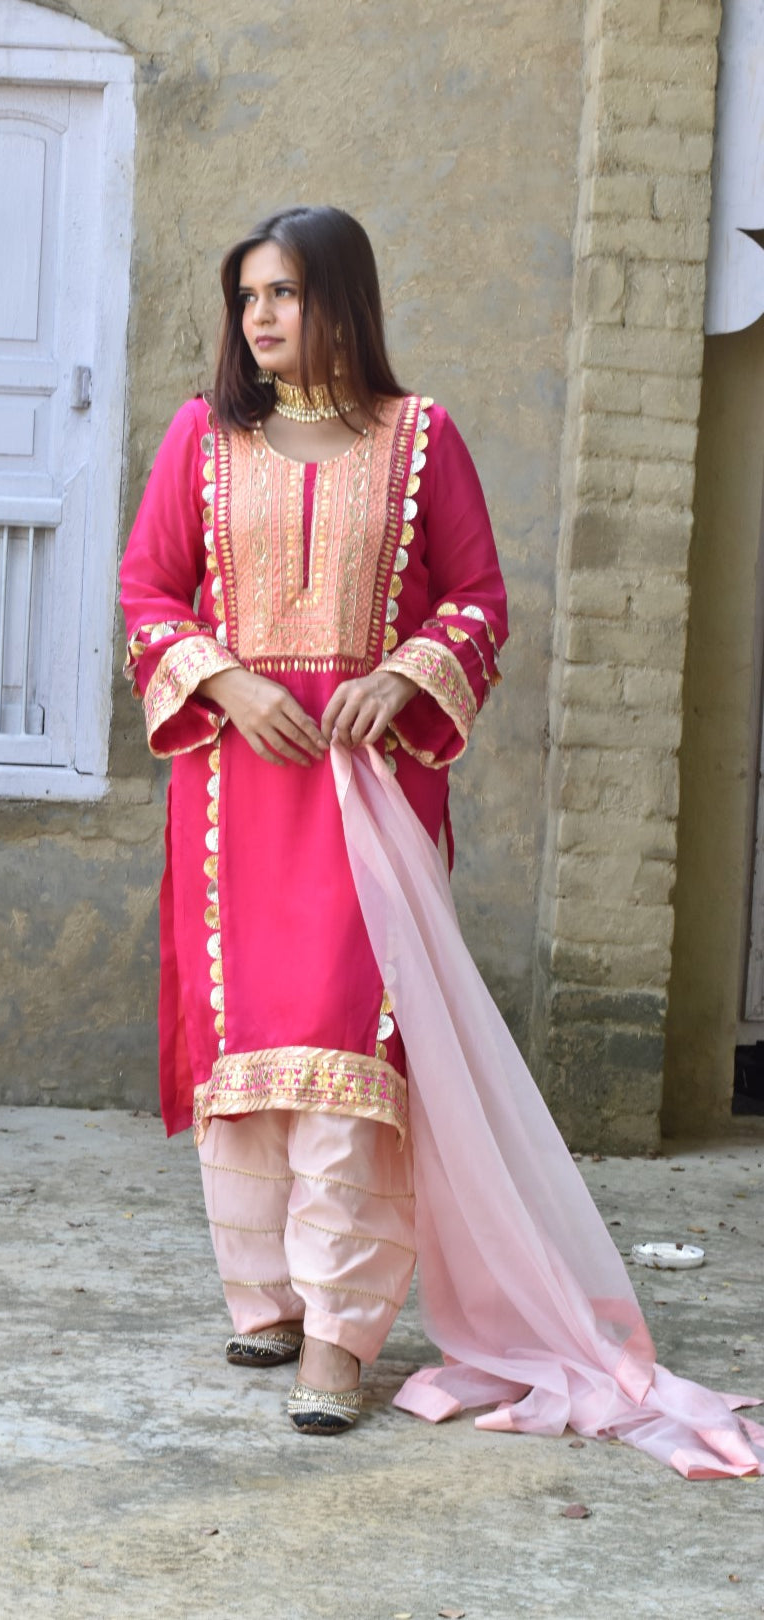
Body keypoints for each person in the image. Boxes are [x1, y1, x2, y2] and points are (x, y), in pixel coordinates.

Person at [119, 206, 763, 1474]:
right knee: (247, 1063)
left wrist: (405, 674)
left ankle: (340, 1346)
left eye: (287, 293)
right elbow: (148, 588)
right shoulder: (204, 438)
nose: (261, 317)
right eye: (247, 295)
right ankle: (269, 1304)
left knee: (354, 1052)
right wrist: (229, 683)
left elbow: (479, 600)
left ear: (345, 301)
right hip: (236, 795)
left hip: (368, 799)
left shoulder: (422, 441)